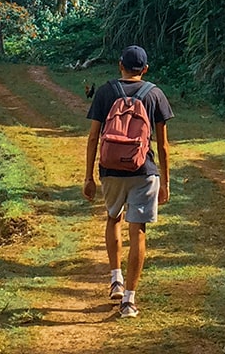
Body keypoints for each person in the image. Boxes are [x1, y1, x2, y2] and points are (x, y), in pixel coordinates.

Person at [83, 45, 173, 319]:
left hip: (111, 171)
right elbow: (164, 145)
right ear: (145, 69)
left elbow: (93, 137)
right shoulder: (155, 94)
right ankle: (130, 302)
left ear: (119, 64)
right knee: (139, 231)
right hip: (143, 170)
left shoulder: (106, 92)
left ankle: (116, 279)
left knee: (113, 219)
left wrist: (88, 177)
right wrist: (166, 183)